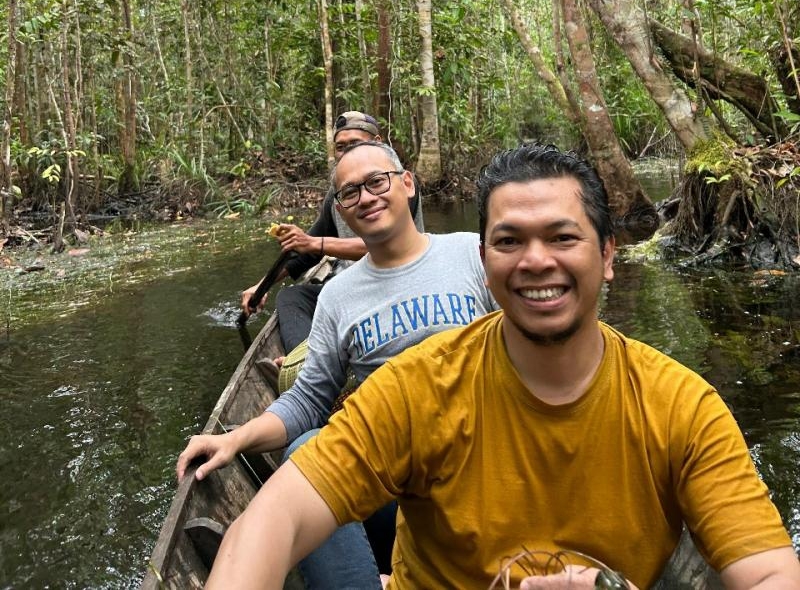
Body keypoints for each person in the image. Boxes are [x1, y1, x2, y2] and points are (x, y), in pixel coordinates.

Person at [205, 143, 800, 590]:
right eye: (510, 242)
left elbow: (770, 571)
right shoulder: (415, 386)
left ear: (607, 255)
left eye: (562, 238)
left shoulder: (682, 408)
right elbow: (275, 518)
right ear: (486, 261)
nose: (536, 261)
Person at [179, 140, 494, 584]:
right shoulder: (337, 297)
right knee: (306, 448)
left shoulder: (472, 254)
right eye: (350, 192)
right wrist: (235, 439)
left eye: (377, 182)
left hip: (485, 467)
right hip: (395, 487)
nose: (365, 197)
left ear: (407, 184)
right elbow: (307, 401)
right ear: (341, 210)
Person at [240, 111, 424, 351]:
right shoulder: (336, 197)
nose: (347, 152)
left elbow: (385, 245)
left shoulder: (394, 184)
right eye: (340, 147)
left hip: (399, 283)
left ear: (377, 142)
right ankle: (301, 361)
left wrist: (314, 243)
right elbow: (306, 252)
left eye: (355, 143)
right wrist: (262, 285)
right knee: (291, 297)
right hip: (356, 286)